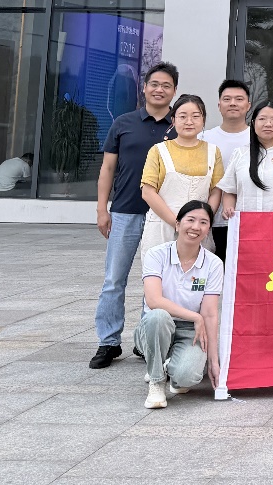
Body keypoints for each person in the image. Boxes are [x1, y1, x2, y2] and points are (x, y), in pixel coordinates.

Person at [91, 62, 178, 370]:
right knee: (114, 279)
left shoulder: (179, 125)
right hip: (125, 211)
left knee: (156, 280)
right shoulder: (124, 123)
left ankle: (145, 340)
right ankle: (108, 341)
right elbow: (107, 168)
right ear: (144, 88)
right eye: (154, 84)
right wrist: (102, 208)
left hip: (162, 215)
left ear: (174, 91)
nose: (159, 89)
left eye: (166, 85)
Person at [134, 200, 223, 409]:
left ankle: (170, 367)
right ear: (177, 224)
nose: (195, 227)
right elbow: (154, 301)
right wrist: (195, 316)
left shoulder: (213, 264)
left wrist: (214, 361)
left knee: (186, 378)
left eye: (203, 222)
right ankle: (156, 381)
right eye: (190, 220)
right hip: (155, 326)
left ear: (208, 229)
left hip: (191, 330)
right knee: (158, 316)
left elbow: (210, 314)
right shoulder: (156, 254)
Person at [139, 94, 224, 258]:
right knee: (160, 270)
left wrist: (203, 221)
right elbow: (148, 192)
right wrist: (177, 223)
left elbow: (216, 191)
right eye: (183, 116)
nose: (189, 121)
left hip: (198, 231)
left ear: (203, 120)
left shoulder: (213, 152)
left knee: (197, 272)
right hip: (162, 228)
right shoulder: (158, 151)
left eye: (195, 116)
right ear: (173, 120)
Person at [198, 79, 251, 259]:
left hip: (246, 221)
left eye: (239, 99)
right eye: (227, 99)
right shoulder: (203, 138)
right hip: (211, 222)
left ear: (248, 105)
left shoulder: (257, 138)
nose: (233, 103)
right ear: (219, 105)